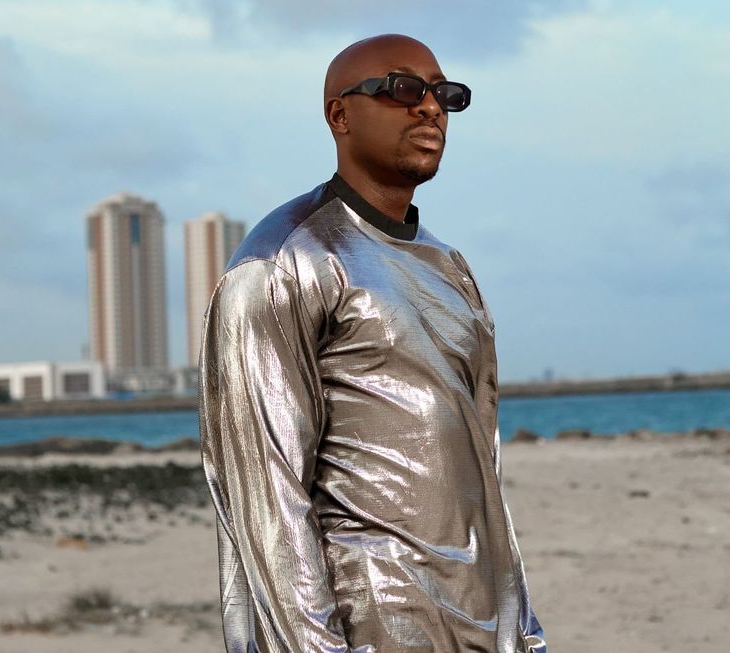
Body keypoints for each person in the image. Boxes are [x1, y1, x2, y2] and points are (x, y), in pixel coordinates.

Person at [199, 34, 546, 653]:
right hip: (369, 621)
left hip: (479, 619)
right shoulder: (283, 263)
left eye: (445, 95)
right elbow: (265, 492)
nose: (429, 108)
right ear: (339, 115)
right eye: (402, 89)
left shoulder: (450, 268)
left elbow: (479, 472)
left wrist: (519, 624)